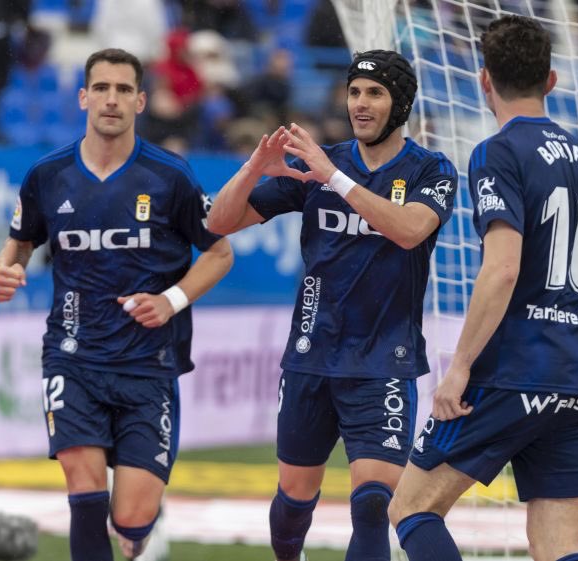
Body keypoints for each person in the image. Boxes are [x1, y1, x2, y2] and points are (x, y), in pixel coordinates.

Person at [387, 15, 578, 561]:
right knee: (556, 547)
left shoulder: (498, 152)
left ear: (484, 80)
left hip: (514, 369)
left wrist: (460, 366)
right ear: (551, 80)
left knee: (411, 510)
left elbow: (502, 269)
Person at [207, 49, 458, 561]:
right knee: (294, 498)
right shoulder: (321, 164)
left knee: (374, 503)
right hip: (311, 357)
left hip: (384, 361)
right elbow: (219, 223)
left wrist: (334, 179)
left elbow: (410, 230)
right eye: (354, 92)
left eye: (375, 93)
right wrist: (254, 167)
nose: (360, 104)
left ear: (400, 103)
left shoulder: (430, 170)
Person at [0, 48, 233, 561]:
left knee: (130, 518)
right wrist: (9, 267)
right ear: (83, 97)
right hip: (72, 355)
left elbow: (220, 252)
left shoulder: (171, 176)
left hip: (149, 363)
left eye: (123, 89)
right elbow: (20, 239)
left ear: (140, 101)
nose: (111, 99)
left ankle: (143, 528)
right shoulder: (48, 174)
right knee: (85, 495)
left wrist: (170, 300)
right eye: (101, 88)